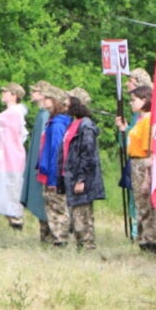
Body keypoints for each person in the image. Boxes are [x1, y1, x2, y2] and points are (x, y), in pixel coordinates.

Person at [0, 83, 28, 229]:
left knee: (11, 189)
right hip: (9, 156)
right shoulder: (13, 112)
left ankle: (16, 220)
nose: (2, 94)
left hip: (11, 158)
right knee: (8, 189)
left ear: (14, 95)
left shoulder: (13, 113)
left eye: (6, 92)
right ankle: (13, 219)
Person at [63, 94, 105, 250]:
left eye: (68, 101)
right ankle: (80, 244)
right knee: (75, 213)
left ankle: (87, 245)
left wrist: (81, 179)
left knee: (83, 214)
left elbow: (88, 154)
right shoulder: (73, 123)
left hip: (82, 177)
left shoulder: (85, 126)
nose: (64, 103)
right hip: (71, 174)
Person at [37, 85, 72, 245]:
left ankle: (60, 239)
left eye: (47, 98)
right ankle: (52, 237)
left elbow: (56, 152)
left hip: (54, 174)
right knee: (50, 207)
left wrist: (53, 178)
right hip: (47, 172)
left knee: (57, 207)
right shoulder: (52, 121)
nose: (43, 100)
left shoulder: (58, 124)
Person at [125, 86, 156, 253]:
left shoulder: (148, 121)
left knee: (145, 203)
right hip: (135, 162)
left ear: (145, 100)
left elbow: (149, 150)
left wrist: (147, 176)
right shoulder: (140, 120)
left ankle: (150, 240)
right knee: (139, 203)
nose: (132, 103)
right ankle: (144, 237)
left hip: (142, 163)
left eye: (134, 100)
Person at [21, 82, 51, 238]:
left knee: (43, 198)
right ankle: (44, 233)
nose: (31, 93)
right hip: (38, 162)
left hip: (43, 165)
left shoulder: (46, 115)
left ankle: (49, 233)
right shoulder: (41, 114)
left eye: (35, 91)